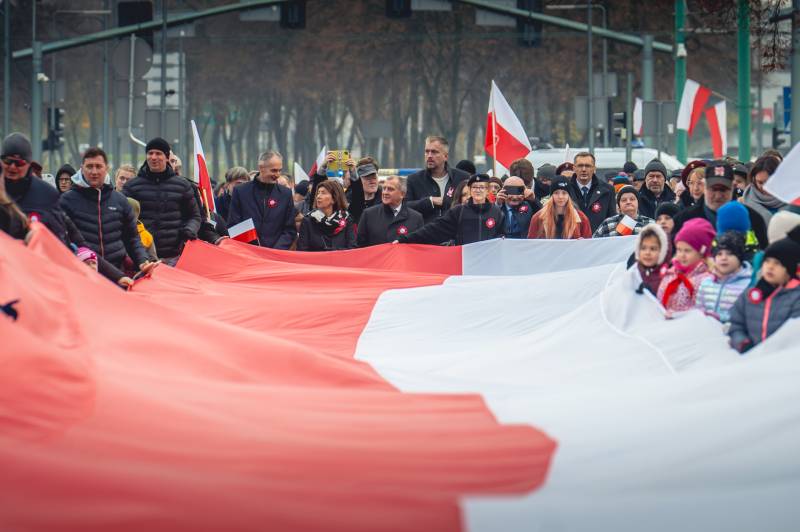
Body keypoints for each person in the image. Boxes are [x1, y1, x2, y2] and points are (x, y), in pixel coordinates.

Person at [59, 147, 152, 273]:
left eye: (98, 166)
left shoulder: (120, 201)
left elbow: (132, 238)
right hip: (81, 274)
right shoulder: (66, 201)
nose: (94, 171)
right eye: (89, 166)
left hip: (117, 273)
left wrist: (142, 260)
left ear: (106, 168)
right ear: (82, 168)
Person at [122, 137, 201, 261]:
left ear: (167, 157)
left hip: (174, 255)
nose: (153, 157)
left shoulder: (183, 185)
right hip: (142, 256)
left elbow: (195, 216)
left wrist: (189, 230)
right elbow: (121, 216)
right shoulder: (132, 186)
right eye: (150, 153)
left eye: (158, 153)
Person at [728, 235, 800, 353]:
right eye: (767, 261)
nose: (770, 267)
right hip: (750, 357)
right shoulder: (749, 295)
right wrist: (743, 344)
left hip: (781, 358)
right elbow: (736, 325)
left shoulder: (796, 298)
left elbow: (794, 334)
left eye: (777, 263)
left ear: (790, 269)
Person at [672, 161, 768, 250]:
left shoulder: (752, 218)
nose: (718, 195)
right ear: (705, 186)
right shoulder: (684, 219)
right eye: (713, 189)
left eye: (723, 189)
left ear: (733, 187)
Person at [397, 173, 504, 246]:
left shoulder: (497, 212)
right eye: (475, 187)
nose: (478, 190)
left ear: (487, 190)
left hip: (488, 265)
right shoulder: (459, 212)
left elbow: (503, 238)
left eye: (482, 187)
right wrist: (405, 239)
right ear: (470, 190)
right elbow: (434, 230)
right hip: (464, 264)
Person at [1, 133, 67, 240]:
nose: (12, 167)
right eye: (7, 161)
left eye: (19, 163)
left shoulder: (48, 194)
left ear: (29, 164)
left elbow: (59, 239)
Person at [227, 150, 296, 249]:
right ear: (261, 168)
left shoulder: (286, 194)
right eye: (274, 170)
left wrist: (275, 250)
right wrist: (252, 249)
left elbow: (290, 230)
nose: (277, 174)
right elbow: (234, 225)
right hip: (248, 252)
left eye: (280, 170)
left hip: (275, 253)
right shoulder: (240, 191)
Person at [405, 136, 470, 224]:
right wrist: (430, 201)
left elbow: (472, 204)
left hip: (456, 230)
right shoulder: (413, 180)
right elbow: (404, 207)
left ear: (445, 156)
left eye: (434, 152)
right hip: (424, 230)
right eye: (427, 151)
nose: (429, 156)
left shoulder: (462, 177)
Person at [657, 218, 716, 314]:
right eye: (679, 250)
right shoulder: (670, 274)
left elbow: (704, 311)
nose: (682, 255)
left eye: (687, 250)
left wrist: (677, 316)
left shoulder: (707, 280)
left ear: (702, 252)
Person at [695, 231, 752, 324]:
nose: (724, 258)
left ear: (740, 257)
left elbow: (749, 317)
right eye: (719, 254)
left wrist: (720, 318)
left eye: (730, 254)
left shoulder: (748, 285)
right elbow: (698, 311)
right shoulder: (706, 283)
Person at [357, 176, 423, 247]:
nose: (385, 192)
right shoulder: (368, 214)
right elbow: (360, 246)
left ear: (402, 194)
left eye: (390, 189)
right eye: (384, 188)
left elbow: (418, 247)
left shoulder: (416, 218)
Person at [296, 180, 355, 251]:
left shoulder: (346, 219)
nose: (318, 196)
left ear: (334, 198)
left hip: (340, 258)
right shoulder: (308, 221)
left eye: (323, 193)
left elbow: (352, 248)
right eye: (318, 193)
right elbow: (302, 250)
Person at [567, 152, 616, 233]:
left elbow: (612, 219)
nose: (584, 169)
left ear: (594, 168)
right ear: (574, 168)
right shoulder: (565, 190)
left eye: (588, 166)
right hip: (572, 238)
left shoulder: (607, 190)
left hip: (599, 238)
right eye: (580, 166)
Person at [742, 156, 786, 228]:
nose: (764, 187)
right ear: (754, 180)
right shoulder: (743, 203)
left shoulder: (793, 202)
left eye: (769, 182)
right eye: (760, 182)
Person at [632, 223, 669, 296]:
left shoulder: (668, 278)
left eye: (653, 249)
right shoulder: (633, 274)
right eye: (643, 248)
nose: (647, 253)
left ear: (662, 251)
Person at [347, 157, 381, 225]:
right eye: (368, 178)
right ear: (359, 180)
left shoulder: (386, 200)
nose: (372, 182)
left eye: (374, 177)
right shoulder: (347, 200)